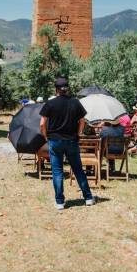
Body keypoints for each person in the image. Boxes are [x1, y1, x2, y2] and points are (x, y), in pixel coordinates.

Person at [39, 77, 95, 210]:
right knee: (78, 170)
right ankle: (88, 198)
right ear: (66, 89)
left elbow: (42, 123)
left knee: (57, 171)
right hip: (71, 140)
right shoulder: (75, 103)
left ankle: (59, 202)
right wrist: (79, 133)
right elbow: (82, 121)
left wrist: (46, 136)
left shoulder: (50, 103)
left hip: (55, 141)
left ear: (56, 89)